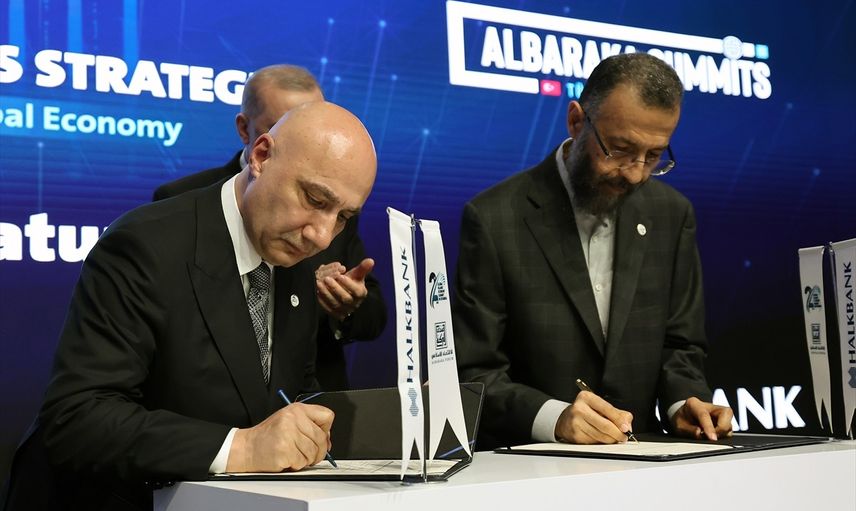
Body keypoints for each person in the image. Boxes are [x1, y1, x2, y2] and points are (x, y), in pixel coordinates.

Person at [36, 101, 377, 509]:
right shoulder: (144, 246)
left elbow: (290, 393)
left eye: (343, 217)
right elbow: (78, 419)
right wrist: (243, 447)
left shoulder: (293, 259)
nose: (321, 236)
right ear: (261, 156)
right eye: (315, 199)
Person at [453, 53, 733, 450]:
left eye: (654, 156)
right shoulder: (494, 218)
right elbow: (474, 371)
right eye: (619, 149)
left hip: (647, 460)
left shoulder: (672, 214)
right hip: (533, 466)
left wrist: (681, 403)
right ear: (576, 121)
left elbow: (681, 346)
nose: (635, 173)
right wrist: (555, 418)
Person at [153, 64, 386, 390]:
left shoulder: (338, 209)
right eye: (313, 199)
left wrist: (345, 304)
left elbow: (373, 316)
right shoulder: (179, 205)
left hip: (312, 404)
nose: (320, 236)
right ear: (252, 139)